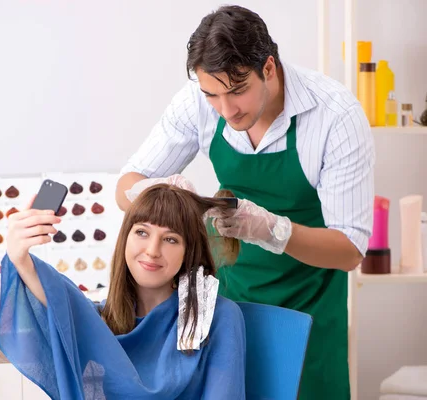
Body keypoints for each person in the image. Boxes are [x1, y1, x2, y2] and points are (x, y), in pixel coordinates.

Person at [116, 5, 375, 399]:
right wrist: (157, 190)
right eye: (213, 95)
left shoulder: (335, 117)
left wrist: (273, 230)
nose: (226, 109)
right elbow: (126, 184)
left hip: (309, 311)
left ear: (268, 68)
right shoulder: (198, 101)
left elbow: (350, 251)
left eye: (237, 91)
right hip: (226, 308)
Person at [0, 184, 246, 400]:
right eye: (142, 232)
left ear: (188, 252)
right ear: (125, 238)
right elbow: (58, 298)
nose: (152, 250)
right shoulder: (101, 323)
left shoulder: (216, 316)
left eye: (170, 239)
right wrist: (19, 255)